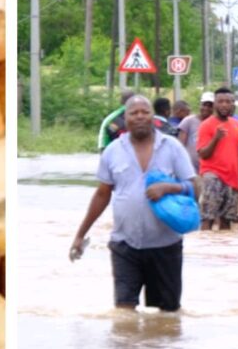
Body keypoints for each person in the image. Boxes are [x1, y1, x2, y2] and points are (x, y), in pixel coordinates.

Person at [70, 95, 198, 312]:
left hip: (165, 246)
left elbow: (196, 186)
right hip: (125, 245)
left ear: (153, 117)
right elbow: (102, 195)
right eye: (134, 113)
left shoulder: (172, 147)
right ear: (125, 118)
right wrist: (80, 234)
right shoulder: (112, 151)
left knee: (167, 316)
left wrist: (170, 187)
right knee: (123, 314)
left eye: (145, 112)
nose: (140, 117)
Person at [196, 87, 238, 230]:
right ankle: (205, 249)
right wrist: (216, 138)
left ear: (233, 104)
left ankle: (224, 251)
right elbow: (203, 154)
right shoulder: (206, 125)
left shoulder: (237, 125)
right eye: (220, 101)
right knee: (207, 219)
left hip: (232, 178)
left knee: (226, 222)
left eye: (228, 101)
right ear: (215, 104)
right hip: (212, 176)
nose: (224, 105)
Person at [178, 91, 214, 171]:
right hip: (190, 168)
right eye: (204, 105)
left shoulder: (215, 123)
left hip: (208, 169)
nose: (206, 108)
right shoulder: (188, 121)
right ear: (200, 105)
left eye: (210, 106)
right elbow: (180, 146)